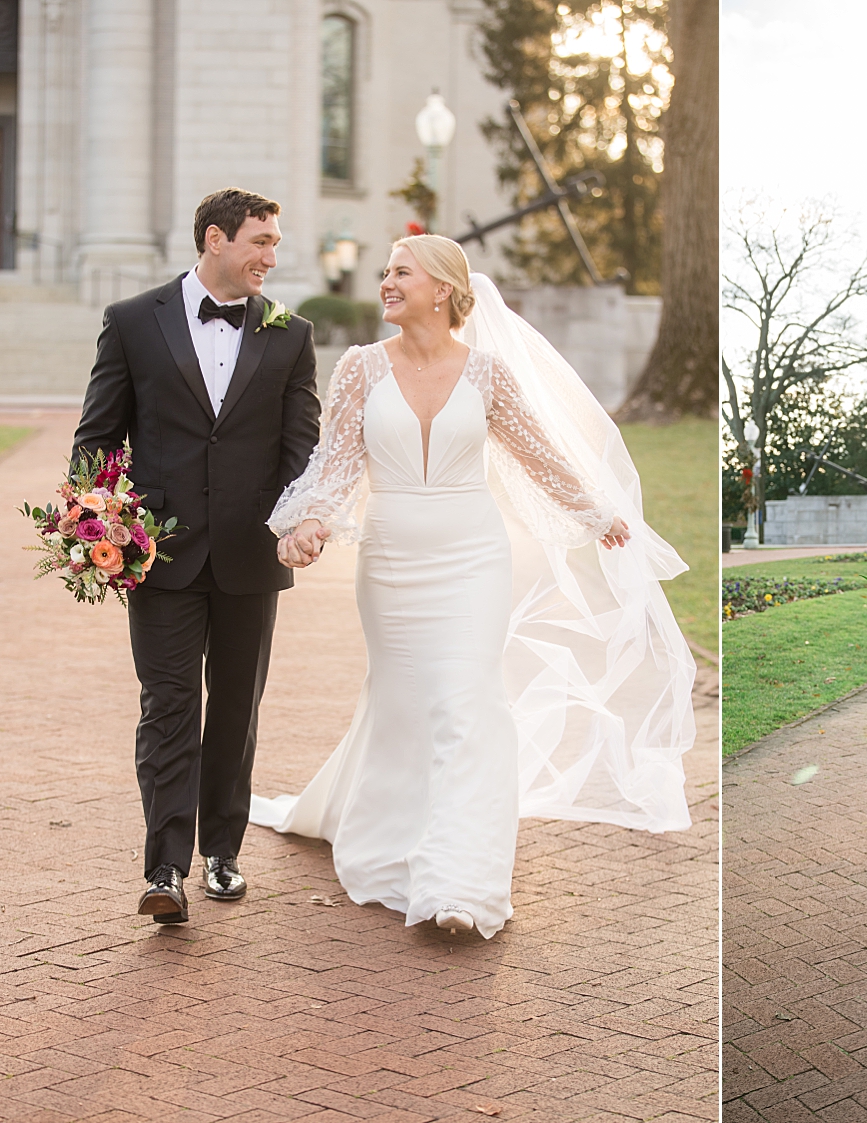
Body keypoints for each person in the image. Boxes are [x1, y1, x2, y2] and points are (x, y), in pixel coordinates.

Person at [252, 234, 695, 939]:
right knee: (401, 703)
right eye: (385, 272)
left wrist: (597, 512)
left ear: (445, 289)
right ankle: (385, 835)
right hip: (391, 561)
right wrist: (308, 523)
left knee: (469, 702)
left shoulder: (487, 374)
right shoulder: (361, 368)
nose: (386, 283)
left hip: (471, 559)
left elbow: (541, 454)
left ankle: (459, 879)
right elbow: (334, 463)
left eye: (401, 271)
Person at [70, 188, 321, 924]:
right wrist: (102, 523)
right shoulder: (131, 323)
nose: (271, 257)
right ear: (215, 238)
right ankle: (164, 867)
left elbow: (301, 451)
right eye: (260, 241)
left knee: (236, 708)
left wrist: (300, 520)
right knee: (170, 704)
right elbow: (96, 439)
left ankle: (222, 851)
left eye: (275, 244)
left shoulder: (291, 334)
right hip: (158, 556)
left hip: (251, 553)